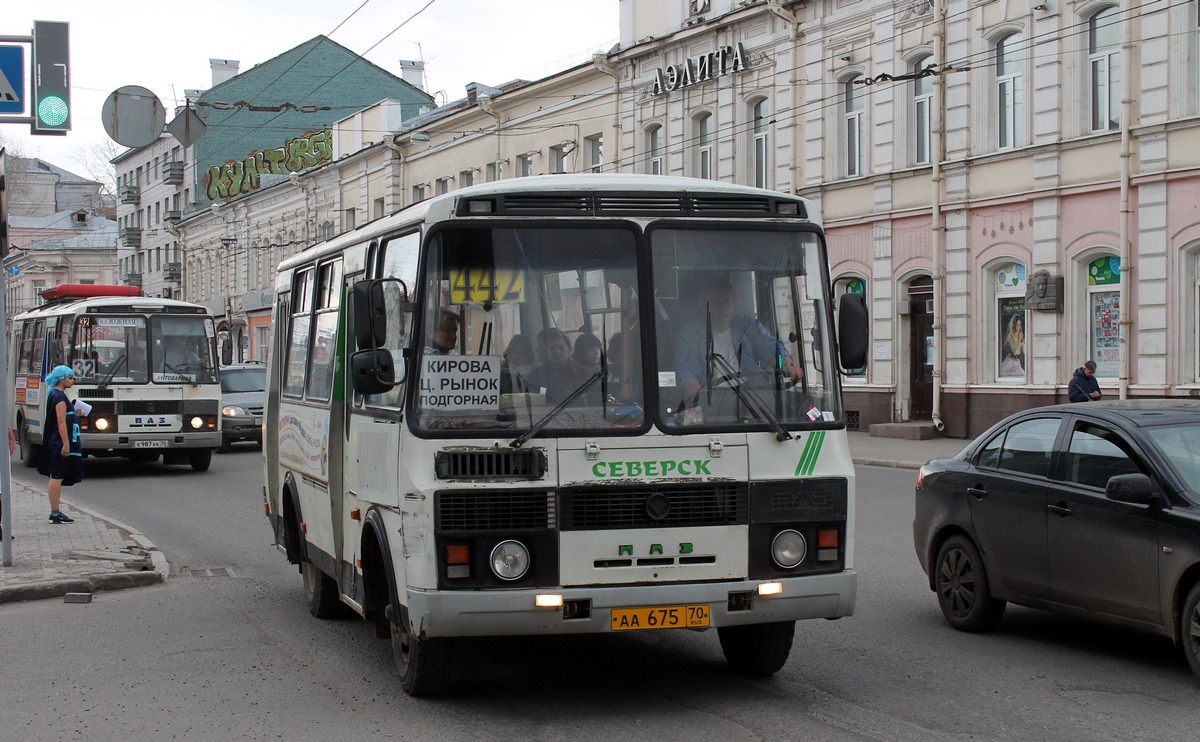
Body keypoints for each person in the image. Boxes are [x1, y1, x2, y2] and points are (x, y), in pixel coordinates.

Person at [675, 273, 803, 403]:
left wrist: (788, 364)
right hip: (712, 401)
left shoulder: (747, 327)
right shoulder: (689, 337)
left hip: (751, 398)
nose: (724, 306)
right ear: (703, 306)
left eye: (727, 301)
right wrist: (699, 404)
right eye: (717, 302)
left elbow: (772, 347)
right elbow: (688, 376)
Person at [37, 365, 83, 524]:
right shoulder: (60, 397)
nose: (73, 381)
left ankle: (56, 511)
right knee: (56, 476)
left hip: (55, 441)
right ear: (61, 379)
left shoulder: (55, 394)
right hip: (58, 442)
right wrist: (66, 444)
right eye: (70, 378)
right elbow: (61, 421)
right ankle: (54, 513)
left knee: (56, 475)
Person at [531, 328, 588, 404]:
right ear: (547, 352)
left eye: (561, 348)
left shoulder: (580, 373)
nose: (557, 351)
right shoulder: (537, 374)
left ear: (570, 349)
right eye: (552, 348)